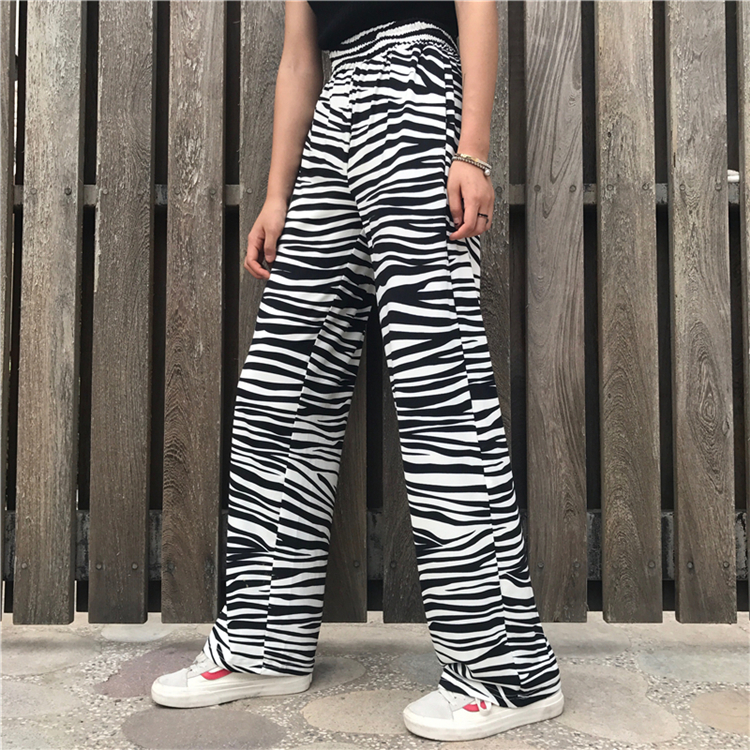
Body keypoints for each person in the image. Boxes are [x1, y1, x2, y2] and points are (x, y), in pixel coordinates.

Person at [151, 0, 564, 741]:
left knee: (441, 386)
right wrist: (277, 194)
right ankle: (263, 645)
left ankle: (509, 673)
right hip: (332, 123)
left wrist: (472, 151)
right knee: (281, 386)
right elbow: (298, 60)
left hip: (419, 101)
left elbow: (476, 7)